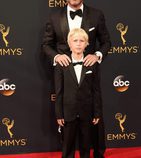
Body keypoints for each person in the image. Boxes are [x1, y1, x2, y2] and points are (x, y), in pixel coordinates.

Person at [42, 0, 111, 157]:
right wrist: (57, 56)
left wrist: (97, 55)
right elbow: (46, 45)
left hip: (88, 70)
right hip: (65, 73)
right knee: (68, 129)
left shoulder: (96, 14)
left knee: (92, 124)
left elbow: (106, 42)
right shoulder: (53, 17)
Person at [54, 28, 102, 158]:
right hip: (68, 112)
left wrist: (97, 112)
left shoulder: (92, 64)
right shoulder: (61, 64)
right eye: (75, 40)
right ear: (69, 44)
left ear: (87, 44)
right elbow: (58, 91)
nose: (79, 43)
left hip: (87, 112)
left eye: (82, 41)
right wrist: (59, 114)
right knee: (68, 146)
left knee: (86, 146)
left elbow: (96, 90)